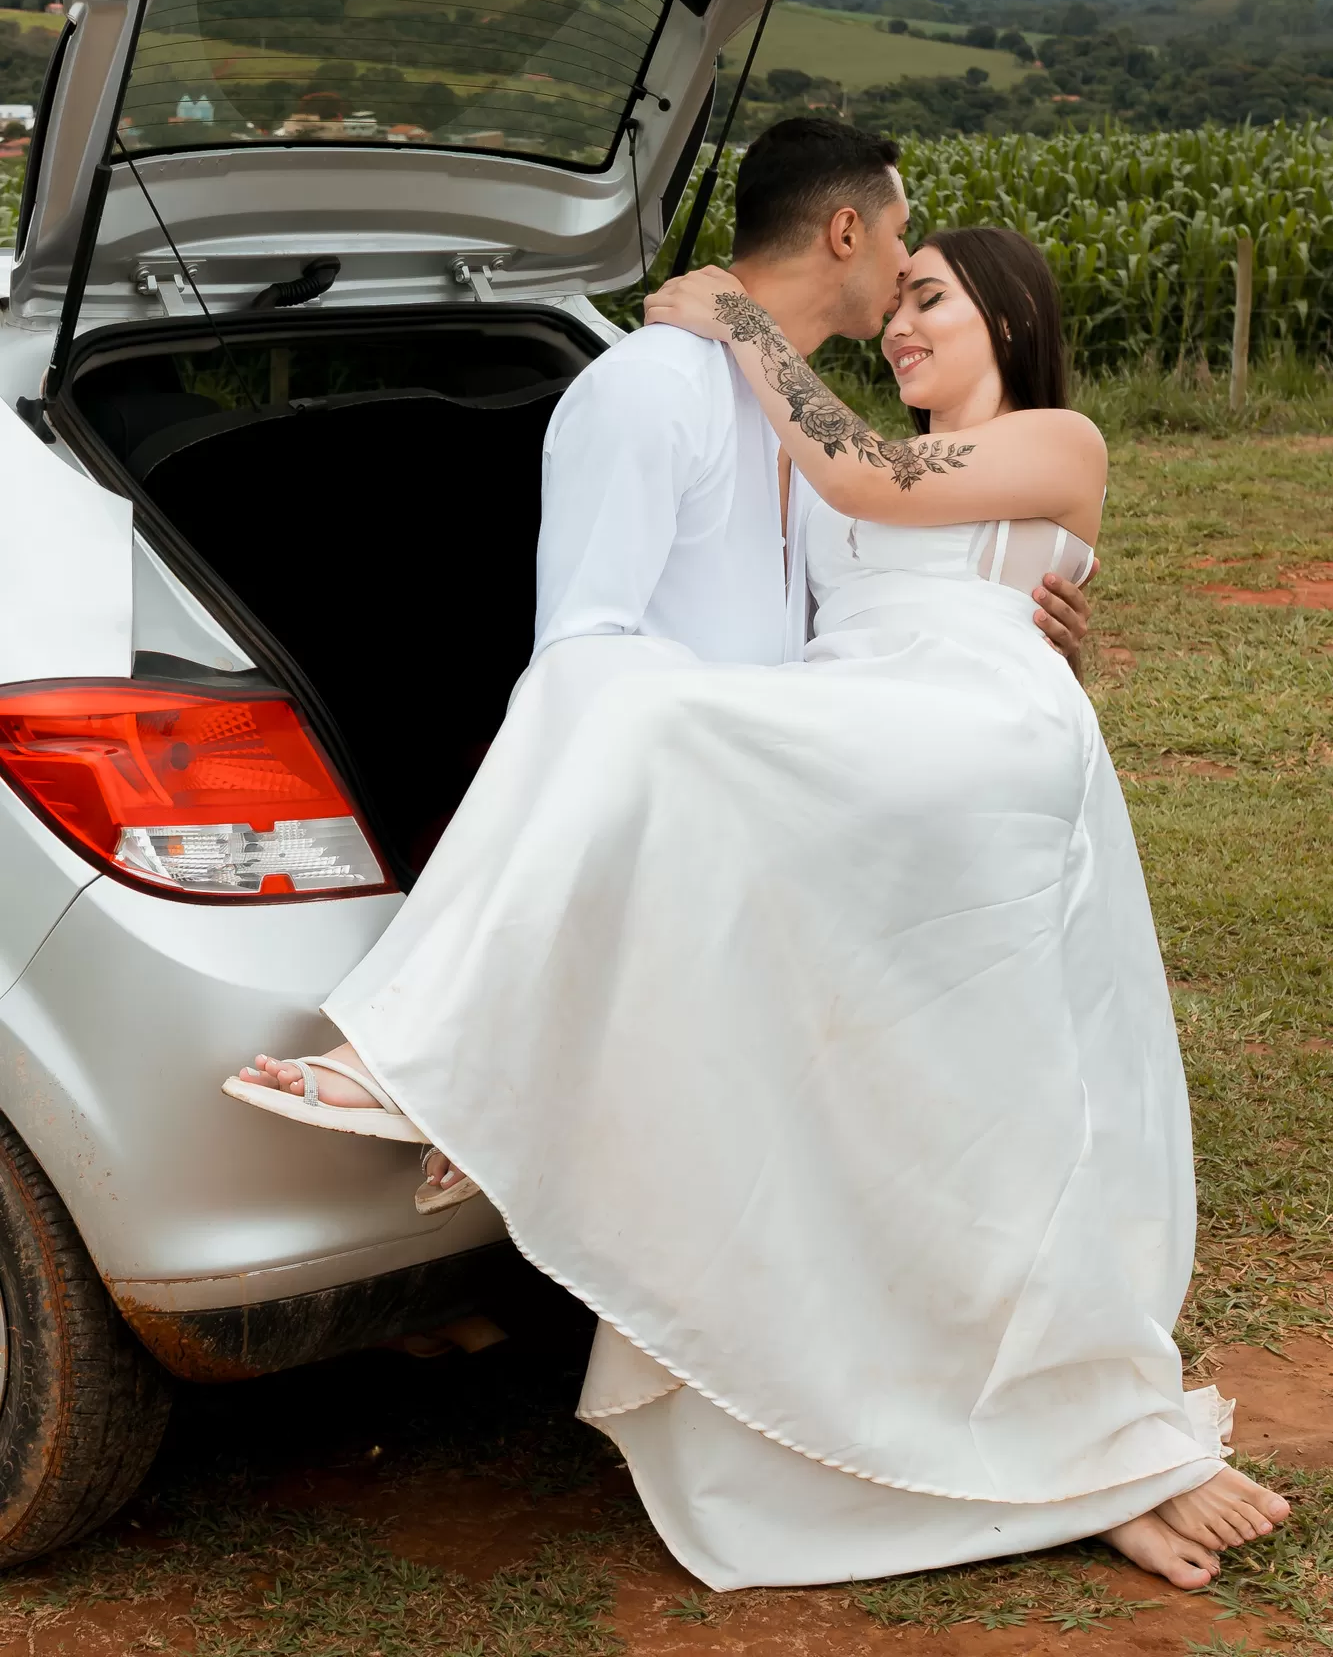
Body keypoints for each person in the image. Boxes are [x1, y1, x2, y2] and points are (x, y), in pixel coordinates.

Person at [223, 201, 1288, 1591]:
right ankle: (468, 1074)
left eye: (931, 299)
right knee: (608, 694)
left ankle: (443, 1066)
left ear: (1012, 317)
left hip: (970, 729)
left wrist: (739, 317)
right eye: (897, 302)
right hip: (858, 727)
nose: (900, 327)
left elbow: (867, 477)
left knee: (633, 710)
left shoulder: (1057, 440)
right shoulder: (854, 454)